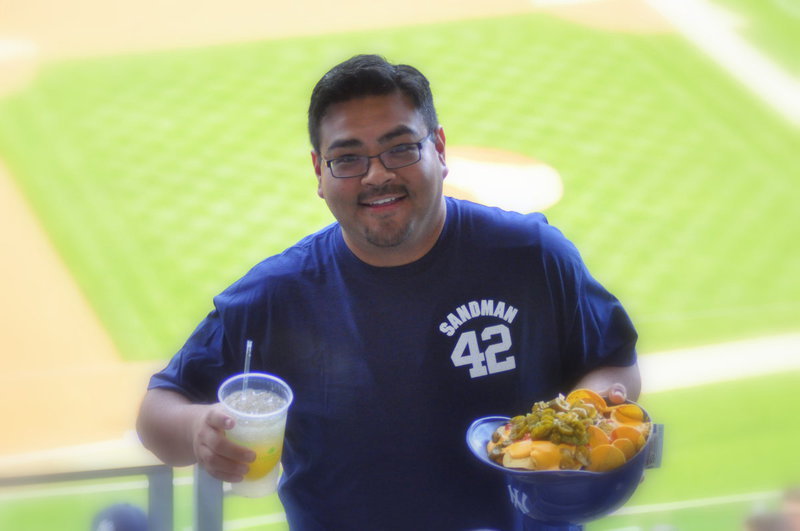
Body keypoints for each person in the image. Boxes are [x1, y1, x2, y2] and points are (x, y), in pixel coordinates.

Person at [136, 54, 641, 530]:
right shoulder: (276, 294)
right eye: (348, 158)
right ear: (319, 172)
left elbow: (614, 361)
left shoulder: (531, 255)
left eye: (400, 148)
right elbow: (158, 413)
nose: (377, 175)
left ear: (439, 149)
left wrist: (580, 420)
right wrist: (199, 430)